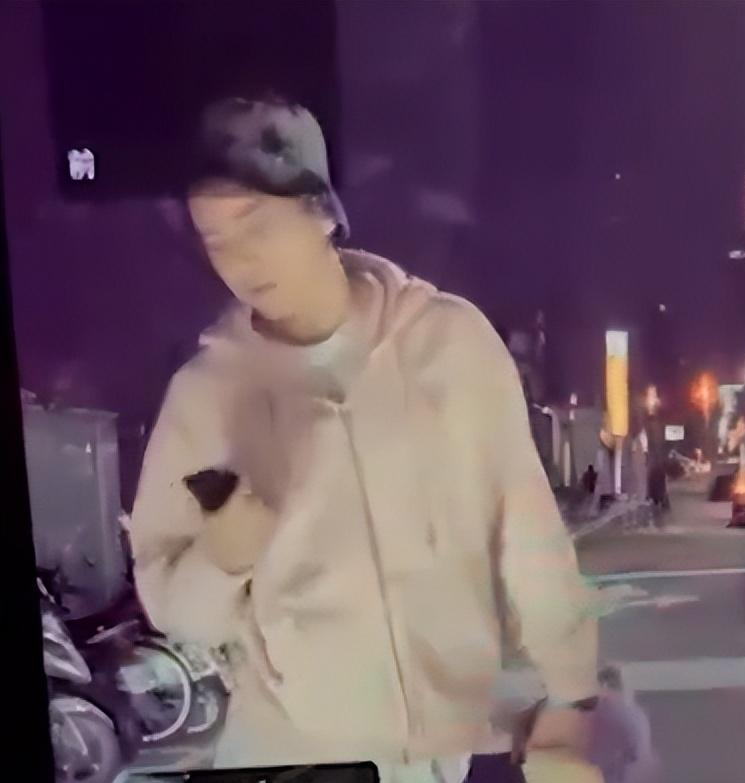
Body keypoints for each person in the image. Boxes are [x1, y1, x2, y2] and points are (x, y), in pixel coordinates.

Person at [127, 95, 598, 783]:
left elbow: (526, 529)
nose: (240, 260)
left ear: (322, 210)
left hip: (459, 746)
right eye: (216, 240)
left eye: (257, 224)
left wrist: (572, 691)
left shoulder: (448, 343)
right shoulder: (207, 394)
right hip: (297, 752)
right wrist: (222, 559)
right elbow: (177, 612)